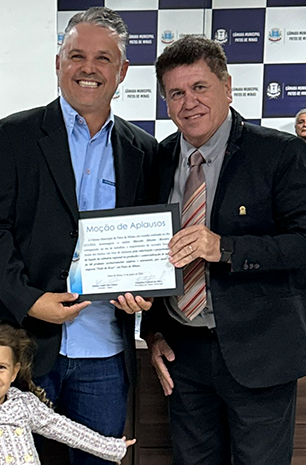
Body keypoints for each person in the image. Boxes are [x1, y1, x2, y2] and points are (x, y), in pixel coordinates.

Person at [0, 7, 158, 464]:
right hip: (21, 349)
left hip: (104, 354)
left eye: (103, 58)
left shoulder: (143, 150)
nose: (87, 68)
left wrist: (141, 291)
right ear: (58, 63)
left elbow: (146, 245)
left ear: (122, 71)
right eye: (77, 56)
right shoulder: (14, 135)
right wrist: (30, 301)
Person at [143, 35, 306, 465]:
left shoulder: (281, 154)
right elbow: (154, 254)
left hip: (260, 353)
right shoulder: (158, 159)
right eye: (176, 93)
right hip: (183, 355)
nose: (189, 102)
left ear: (228, 87)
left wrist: (225, 247)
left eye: (200, 87)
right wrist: (152, 331)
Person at [0, 322, 135, 464]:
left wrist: (110, 447)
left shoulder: (23, 404)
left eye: (1, 367)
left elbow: (66, 430)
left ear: (14, 372)